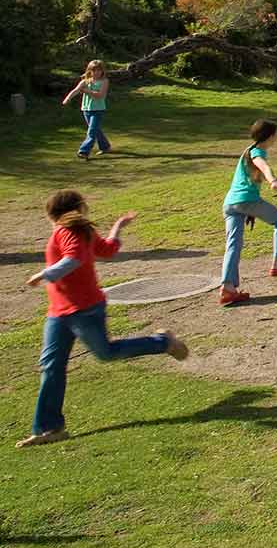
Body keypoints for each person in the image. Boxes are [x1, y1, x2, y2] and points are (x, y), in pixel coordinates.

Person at [20, 190, 188, 447]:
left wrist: (45, 273)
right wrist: (118, 227)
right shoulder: (81, 231)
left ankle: (162, 342)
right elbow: (108, 250)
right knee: (51, 366)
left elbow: (74, 259)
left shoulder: (68, 232)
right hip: (58, 311)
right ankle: (49, 428)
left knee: (106, 353)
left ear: (52, 213)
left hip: (84, 309)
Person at [220, 119, 277, 307]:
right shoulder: (257, 152)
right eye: (276, 134)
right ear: (270, 136)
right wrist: (273, 180)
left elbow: (257, 173)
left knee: (233, 246)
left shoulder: (248, 151)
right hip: (246, 201)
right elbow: (263, 166)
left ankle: (227, 289)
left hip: (230, 204)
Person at [62, 60, 112, 160]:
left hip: (98, 110)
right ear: (89, 71)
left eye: (99, 70)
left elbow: (100, 95)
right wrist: (68, 98)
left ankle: (83, 151)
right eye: (94, 70)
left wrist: (86, 91)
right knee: (96, 130)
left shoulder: (104, 81)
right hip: (87, 109)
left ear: (102, 71)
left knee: (92, 131)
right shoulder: (85, 81)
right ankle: (105, 147)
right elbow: (76, 90)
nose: (97, 73)